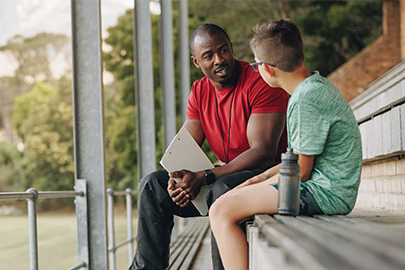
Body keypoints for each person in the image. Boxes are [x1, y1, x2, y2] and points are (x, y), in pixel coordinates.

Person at [129, 23, 289, 270]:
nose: (219, 59)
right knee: (153, 186)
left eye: (223, 50)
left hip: (267, 178)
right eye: (208, 55)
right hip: (224, 175)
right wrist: (177, 181)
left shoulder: (260, 81)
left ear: (231, 48)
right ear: (196, 62)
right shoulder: (199, 90)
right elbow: (186, 147)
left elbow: (263, 152)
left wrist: (206, 176)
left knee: (221, 189)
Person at [209, 19, 362, 270]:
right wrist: (256, 181)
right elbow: (294, 161)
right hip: (324, 188)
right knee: (228, 200)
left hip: (326, 194)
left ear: (267, 69)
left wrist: (249, 189)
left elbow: (301, 172)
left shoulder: (306, 100)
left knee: (220, 211)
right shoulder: (312, 87)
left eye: (257, 65)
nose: (257, 70)